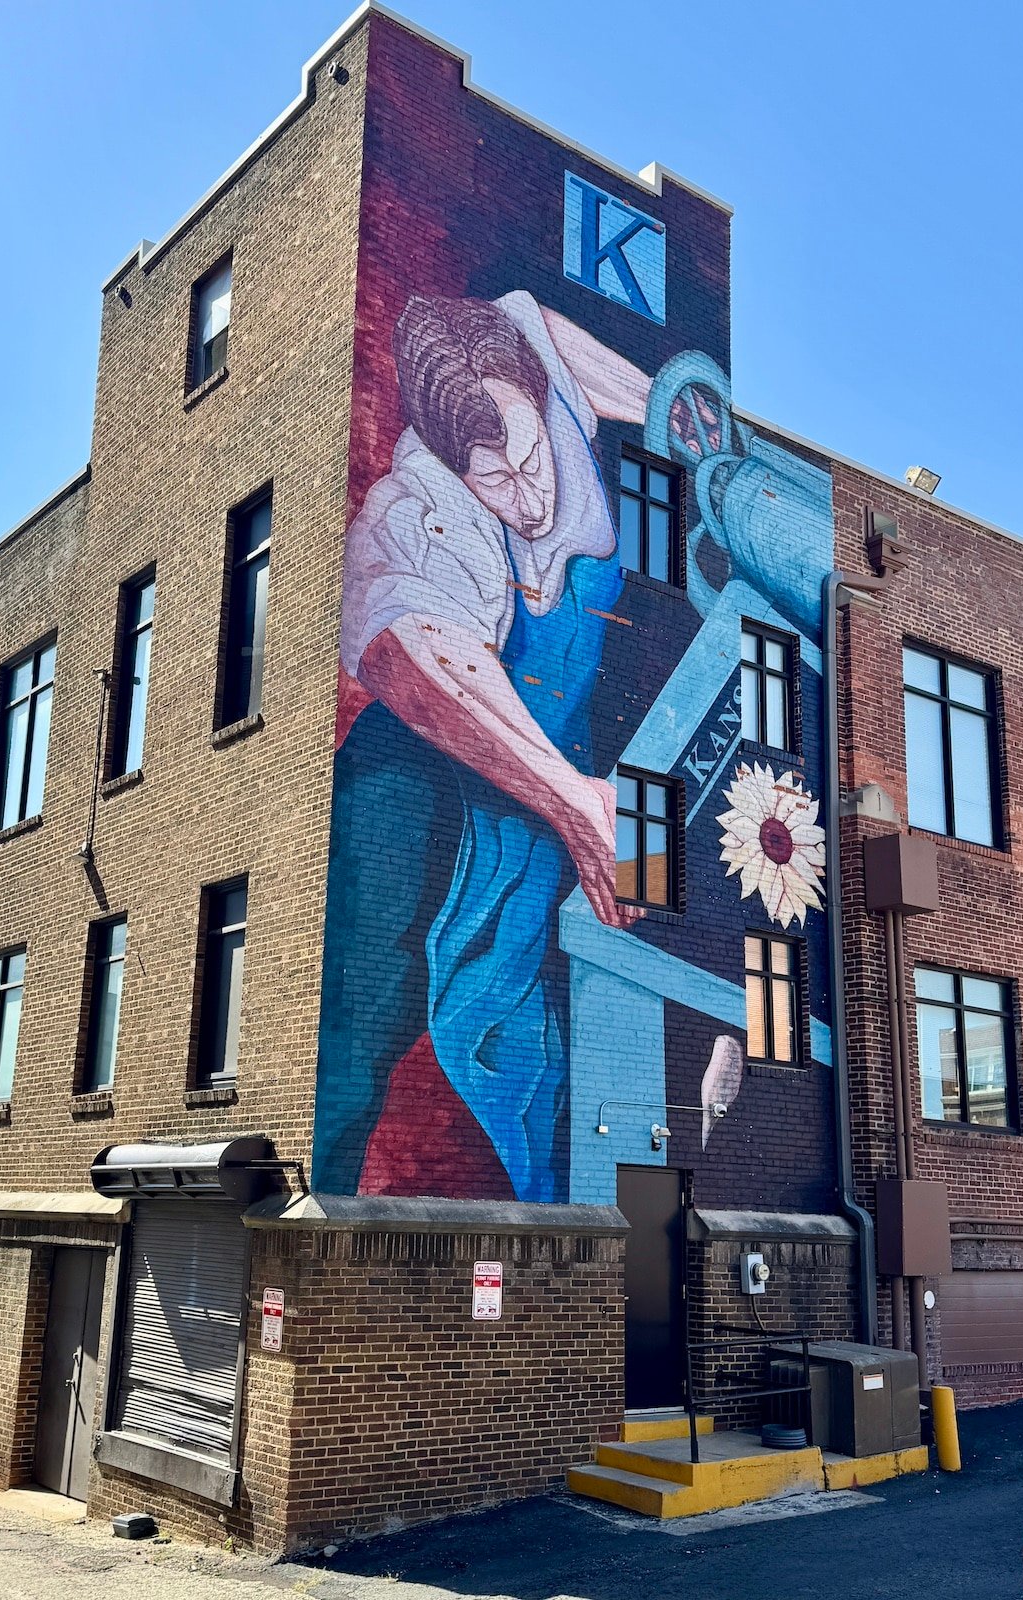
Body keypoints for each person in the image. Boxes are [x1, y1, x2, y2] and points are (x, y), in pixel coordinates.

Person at [314, 290, 652, 1202]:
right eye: (495, 480)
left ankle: (589, 1211)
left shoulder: (531, 357)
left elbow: (654, 396)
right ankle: (323, 1220)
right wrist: (576, 801)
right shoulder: (414, 508)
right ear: (456, 472)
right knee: (393, 1015)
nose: (530, 494)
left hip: (569, 743)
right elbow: (407, 646)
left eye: (532, 458)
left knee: (578, 977)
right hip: (425, 775)